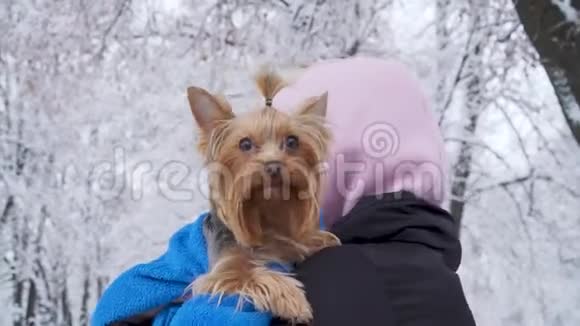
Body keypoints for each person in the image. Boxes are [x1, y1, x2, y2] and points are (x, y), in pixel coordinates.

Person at [91, 57, 476, 326]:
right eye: (248, 147)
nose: (273, 161)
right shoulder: (441, 278)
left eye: (293, 143)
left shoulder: (330, 277)